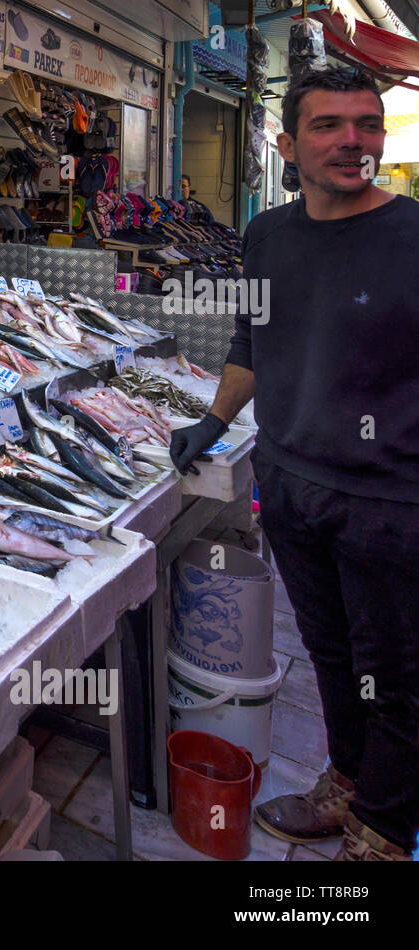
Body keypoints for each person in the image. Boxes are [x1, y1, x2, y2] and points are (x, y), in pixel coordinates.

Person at [170, 67, 418, 861]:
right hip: (289, 482)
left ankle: (382, 832)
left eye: (367, 125)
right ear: (286, 143)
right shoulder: (267, 234)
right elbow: (254, 342)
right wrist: (212, 422)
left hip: (390, 501)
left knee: (400, 675)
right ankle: (347, 785)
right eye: (329, 125)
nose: (353, 141)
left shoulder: (413, 237)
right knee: (331, 652)